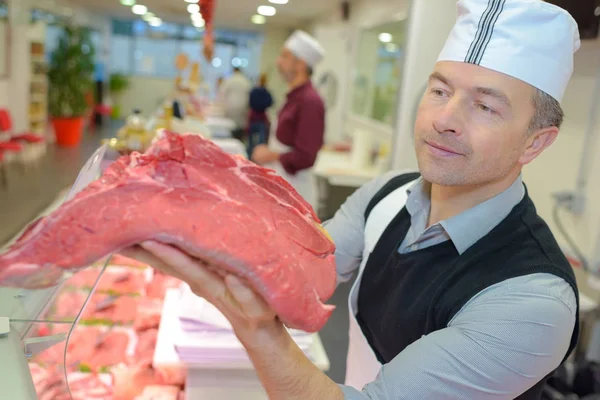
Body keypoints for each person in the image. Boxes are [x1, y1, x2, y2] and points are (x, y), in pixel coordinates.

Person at [122, 1, 581, 399]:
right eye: (439, 90)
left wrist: (256, 327)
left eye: (485, 106)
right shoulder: (385, 196)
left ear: (534, 144)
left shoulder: (532, 299)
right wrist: (187, 216)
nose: (445, 118)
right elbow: (291, 279)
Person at [251, 30, 326, 209]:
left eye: (285, 56)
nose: (279, 61)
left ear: (300, 64)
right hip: (284, 188)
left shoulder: (310, 101)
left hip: (297, 193)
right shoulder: (293, 96)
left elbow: (306, 157)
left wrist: (270, 154)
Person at [247, 73, 274, 158]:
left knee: (251, 142)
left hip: (254, 118)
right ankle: (256, 158)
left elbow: (250, 103)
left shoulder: (254, 92)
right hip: (261, 118)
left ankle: (250, 157)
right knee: (260, 142)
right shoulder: (266, 93)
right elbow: (270, 103)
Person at [221, 67, 252, 141]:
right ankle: (239, 140)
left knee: (230, 126)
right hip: (242, 105)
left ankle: (230, 140)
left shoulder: (229, 80)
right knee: (240, 125)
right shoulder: (245, 80)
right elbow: (249, 93)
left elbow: (223, 92)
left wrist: (223, 104)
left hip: (230, 104)